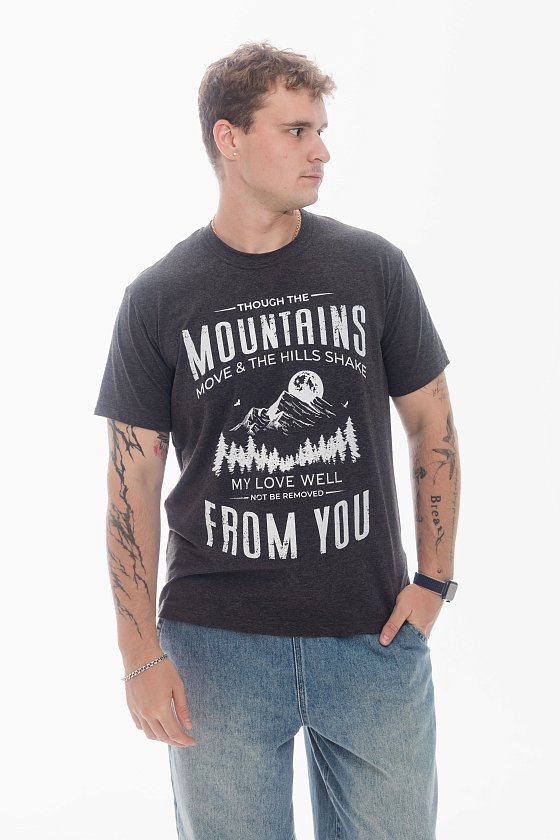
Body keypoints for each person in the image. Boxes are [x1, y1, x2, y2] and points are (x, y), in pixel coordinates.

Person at [94, 41, 460, 840]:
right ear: (228, 138)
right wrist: (139, 653)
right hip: (215, 648)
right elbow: (131, 484)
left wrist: (435, 581)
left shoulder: (372, 268)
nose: (320, 150)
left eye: (321, 130)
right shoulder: (158, 297)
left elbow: (431, 421)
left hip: (371, 632)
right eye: (296, 130)